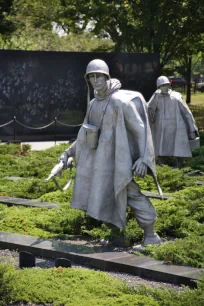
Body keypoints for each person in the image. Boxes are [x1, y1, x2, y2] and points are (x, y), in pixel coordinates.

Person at [59, 59, 162, 246]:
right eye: (91, 77)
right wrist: (67, 154)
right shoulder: (93, 104)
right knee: (106, 196)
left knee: (131, 194)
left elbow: (141, 129)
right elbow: (84, 134)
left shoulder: (120, 101)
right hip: (101, 162)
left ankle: (151, 235)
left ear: (107, 76)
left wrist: (144, 158)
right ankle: (117, 236)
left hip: (119, 161)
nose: (95, 80)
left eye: (99, 76)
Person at [147, 76, 199, 168]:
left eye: (165, 85)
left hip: (176, 127)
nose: (164, 87)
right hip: (161, 128)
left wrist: (192, 129)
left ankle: (179, 168)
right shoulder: (156, 97)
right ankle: (163, 169)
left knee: (179, 150)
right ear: (158, 87)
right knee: (161, 150)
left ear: (169, 85)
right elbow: (149, 110)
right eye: (162, 86)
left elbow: (187, 113)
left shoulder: (177, 96)